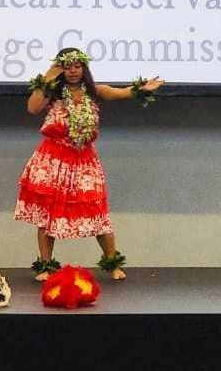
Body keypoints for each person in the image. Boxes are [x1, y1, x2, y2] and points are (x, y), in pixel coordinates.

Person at [15, 47, 164, 281]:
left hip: (84, 160)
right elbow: (32, 108)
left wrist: (140, 89)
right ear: (59, 68)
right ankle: (45, 266)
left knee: (97, 210)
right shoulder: (51, 92)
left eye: (77, 66)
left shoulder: (95, 92)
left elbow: (120, 93)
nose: (73, 71)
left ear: (84, 67)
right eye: (67, 66)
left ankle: (113, 263)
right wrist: (47, 77)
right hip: (53, 159)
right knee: (48, 213)